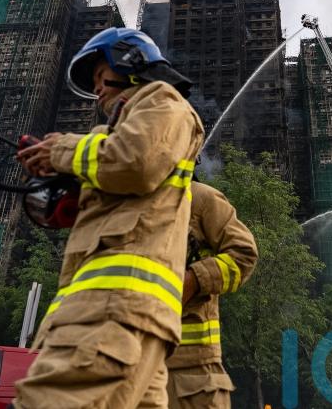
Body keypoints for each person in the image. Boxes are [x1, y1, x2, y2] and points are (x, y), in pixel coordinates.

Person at [13, 27, 204, 409]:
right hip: (128, 313)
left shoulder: (161, 100)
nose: (98, 90)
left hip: (112, 309)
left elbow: (136, 162)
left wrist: (63, 151)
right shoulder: (115, 133)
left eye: (102, 77)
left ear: (132, 63)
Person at [166, 181, 258, 409]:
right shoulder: (117, 206)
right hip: (127, 362)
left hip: (190, 370)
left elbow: (244, 256)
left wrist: (194, 280)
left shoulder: (200, 199)